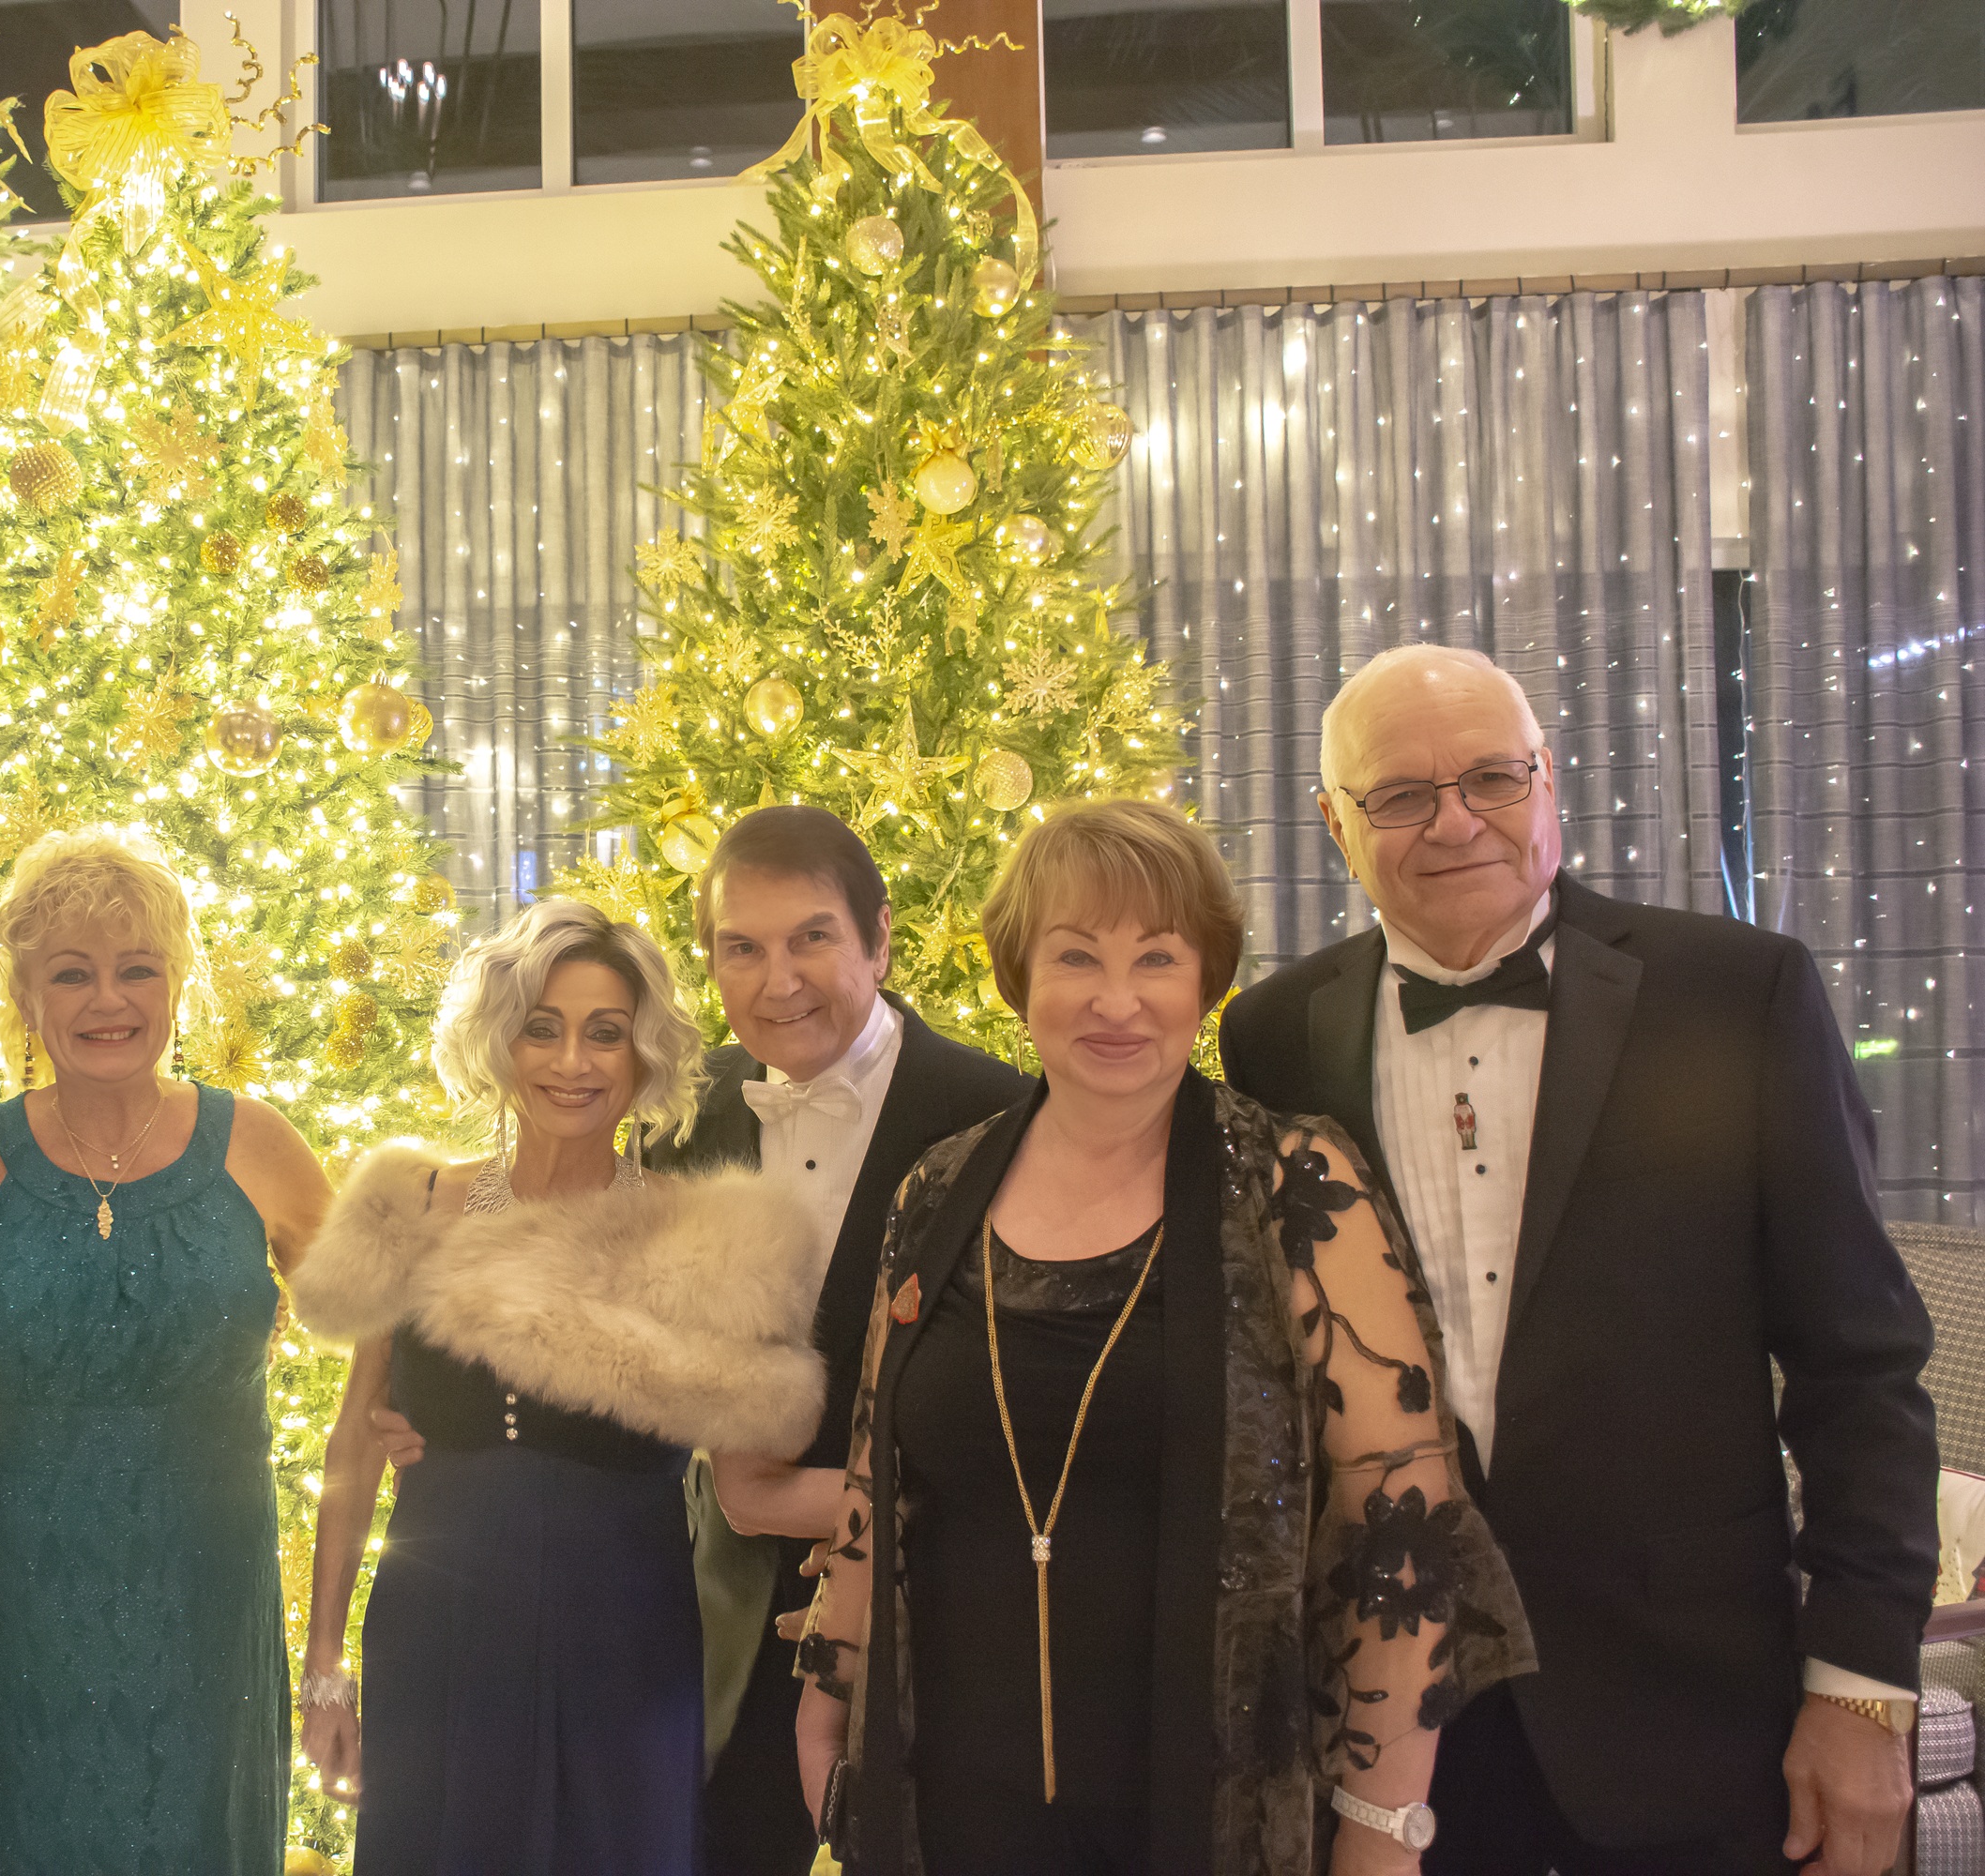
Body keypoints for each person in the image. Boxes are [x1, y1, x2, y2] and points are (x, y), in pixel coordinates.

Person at [1220, 643, 1939, 1876]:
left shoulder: (1736, 992)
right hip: (1405, 1745)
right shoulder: (1274, 1035)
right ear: (1335, 823)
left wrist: (1862, 1690)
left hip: (1700, 1724)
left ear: (1548, 780)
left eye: (1492, 778)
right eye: (1401, 795)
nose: (1456, 822)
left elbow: (1859, 1368)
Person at [796, 798, 1533, 1876]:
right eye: (1076, 955)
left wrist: (1385, 1827)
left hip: (1210, 1802)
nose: (1116, 999)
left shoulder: (1294, 1185)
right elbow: (878, 1474)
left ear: (1206, 979)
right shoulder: (937, 1189)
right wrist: (825, 1694)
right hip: (951, 1799)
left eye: (1156, 956)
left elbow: (1401, 1524)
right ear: (1019, 975)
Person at [364, 805, 1031, 1875]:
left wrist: (884, 1523)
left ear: (880, 939)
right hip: (707, 1622)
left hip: (934, 1612)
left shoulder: (997, 1117)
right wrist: (434, 1408)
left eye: (812, 937)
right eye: (742, 947)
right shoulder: (675, 1108)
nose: (779, 979)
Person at [292, 898, 828, 1875]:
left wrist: (902, 1505)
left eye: (605, 1032)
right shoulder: (413, 1202)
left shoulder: (701, 1239)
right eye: (543, 1027)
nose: (571, 1061)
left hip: (626, 1641)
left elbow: (752, 1485)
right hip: (439, 1630)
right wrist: (323, 1666)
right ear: (500, 1039)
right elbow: (356, 1441)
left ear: (644, 1054)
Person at [0, 826, 330, 1874]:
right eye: (72, 973)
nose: (108, 999)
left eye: (138, 968)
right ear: (24, 995)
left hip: (206, 1584)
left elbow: (379, 1318)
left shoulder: (259, 1143)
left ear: (179, 981)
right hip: (10, 1588)